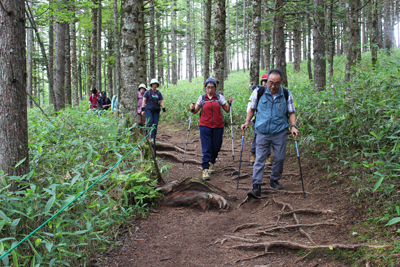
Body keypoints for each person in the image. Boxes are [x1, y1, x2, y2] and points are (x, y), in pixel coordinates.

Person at [241, 69, 299, 198]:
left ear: (281, 83)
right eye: (270, 82)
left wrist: (293, 126)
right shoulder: (259, 92)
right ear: (266, 81)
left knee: (279, 158)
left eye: (276, 83)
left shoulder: (286, 94)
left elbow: (291, 112)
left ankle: (274, 180)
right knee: (260, 158)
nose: (273, 86)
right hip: (262, 131)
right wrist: (247, 122)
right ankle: (256, 186)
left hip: (280, 132)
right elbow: (251, 108)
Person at [189, 77, 233, 181]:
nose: (210, 89)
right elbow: (195, 111)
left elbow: (226, 110)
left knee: (216, 147)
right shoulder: (202, 98)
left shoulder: (219, 97)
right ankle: (205, 168)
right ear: (205, 87)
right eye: (208, 87)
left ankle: (212, 162)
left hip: (218, 126)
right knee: (206, 148)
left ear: (215, 88)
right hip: (205, 126)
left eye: (212, 87)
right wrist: (192, 108)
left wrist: (230, 103)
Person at [248, 74, 272, 166]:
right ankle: (253, 153)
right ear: (261, 82)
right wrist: (249, 119)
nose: (266, 83)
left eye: (267, 81)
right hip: (257, 119)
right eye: (264, 81)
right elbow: (250, 106)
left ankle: (267, 156)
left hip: (270, 120)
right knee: (257, 136)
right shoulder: (257, 92)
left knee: (269, 137)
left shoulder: (273, 92)